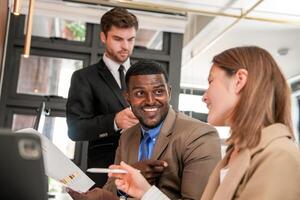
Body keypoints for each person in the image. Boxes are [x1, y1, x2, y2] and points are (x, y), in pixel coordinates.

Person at [109, 46, 300, 200]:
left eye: (210, 82)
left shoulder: (280, 156)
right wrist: (144, 192)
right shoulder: (234, 155)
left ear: (239, 81)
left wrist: (147, 194)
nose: (205, 97)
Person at [68, 60, 221, 200]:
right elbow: (111, 188)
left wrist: (141, 187)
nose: (150, 100)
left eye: (159, 92)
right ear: (127, 97)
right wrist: (107, 194)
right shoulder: (127, 136)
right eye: (140, 93)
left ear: (169, 92)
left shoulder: (200, 136)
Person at [66, 7, 139, 187]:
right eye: (118, 39)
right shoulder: (84, 77)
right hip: (105, 174)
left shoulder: (144, 75)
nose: (125, 46)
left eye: (130, 40)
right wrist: (114, 121)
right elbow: (75, 129)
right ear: (103, 37)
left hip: (143, 172)